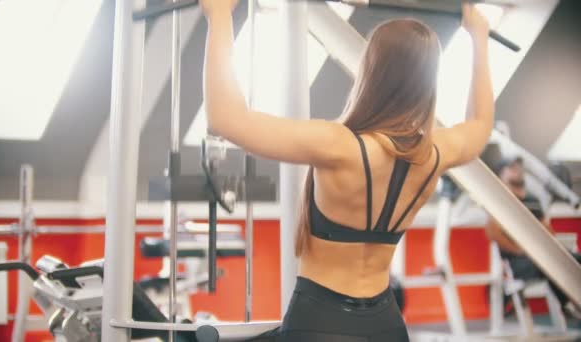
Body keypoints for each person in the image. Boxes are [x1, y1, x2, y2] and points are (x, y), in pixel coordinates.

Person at [200, 0, 493, 340]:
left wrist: (218, 15)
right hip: (387, 325)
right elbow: (480, 124)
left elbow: (225, 119)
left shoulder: (338, 145)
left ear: (372, 71)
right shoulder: (434, 154)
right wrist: (479, 38)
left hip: (321, 323)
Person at [486, 157, 581, 318]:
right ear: (501, 175)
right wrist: (520, 251)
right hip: (518, 263)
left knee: (574, 259)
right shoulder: (499, 201)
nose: (517, 170)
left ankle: (572, 305)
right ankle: (571, 305)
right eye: (511, 167)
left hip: (541, 256)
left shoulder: (532, 200)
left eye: (517, 167)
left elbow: (547, 230)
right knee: (550, 263)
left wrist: (554, 248)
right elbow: (493, 233)